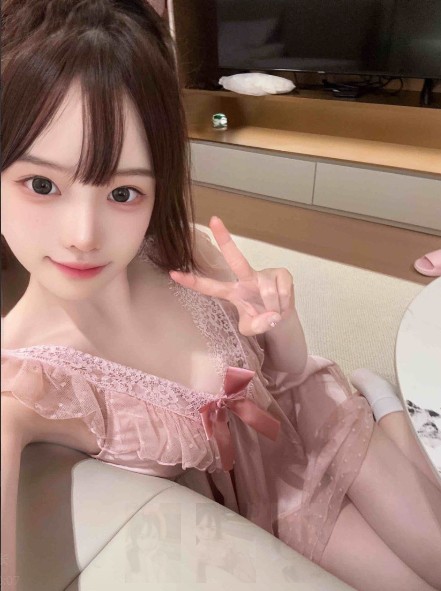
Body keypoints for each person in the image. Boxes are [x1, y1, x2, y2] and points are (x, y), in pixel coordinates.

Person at [1, 2, 441, 590]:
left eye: (124, 192)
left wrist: (280, 326)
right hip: (278, 503)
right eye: (41, 184)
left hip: (315, 421)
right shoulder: (24, 383)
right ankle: (390, 412)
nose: (83, 235)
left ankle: (380, 406)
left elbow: (288, 377)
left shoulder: (180, 254)